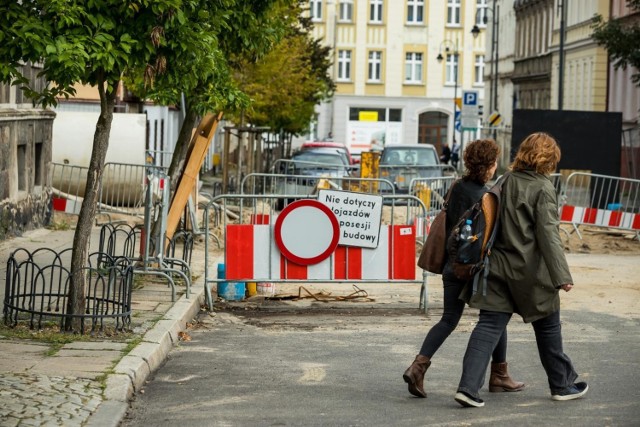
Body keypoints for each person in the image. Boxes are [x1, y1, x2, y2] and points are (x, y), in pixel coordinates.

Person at [454, 132, 588, 408]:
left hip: (497, 268)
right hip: (532, 275)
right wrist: (562, 276)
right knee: (549, 327)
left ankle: (467, 388)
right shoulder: (543, 188)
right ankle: (561, 385)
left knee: (488, 327)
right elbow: (548, 235)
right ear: (549, 159)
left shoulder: (505, 180)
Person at [403, 139, 524, 399]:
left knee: (448, 319)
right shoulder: (486, 197)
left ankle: (418, 366)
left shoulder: (457, 186)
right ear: (490, 166)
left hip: (452, 265)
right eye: (493, 163)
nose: (494, 167)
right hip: (475, 269)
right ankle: (499, 375)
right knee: (496, 315)